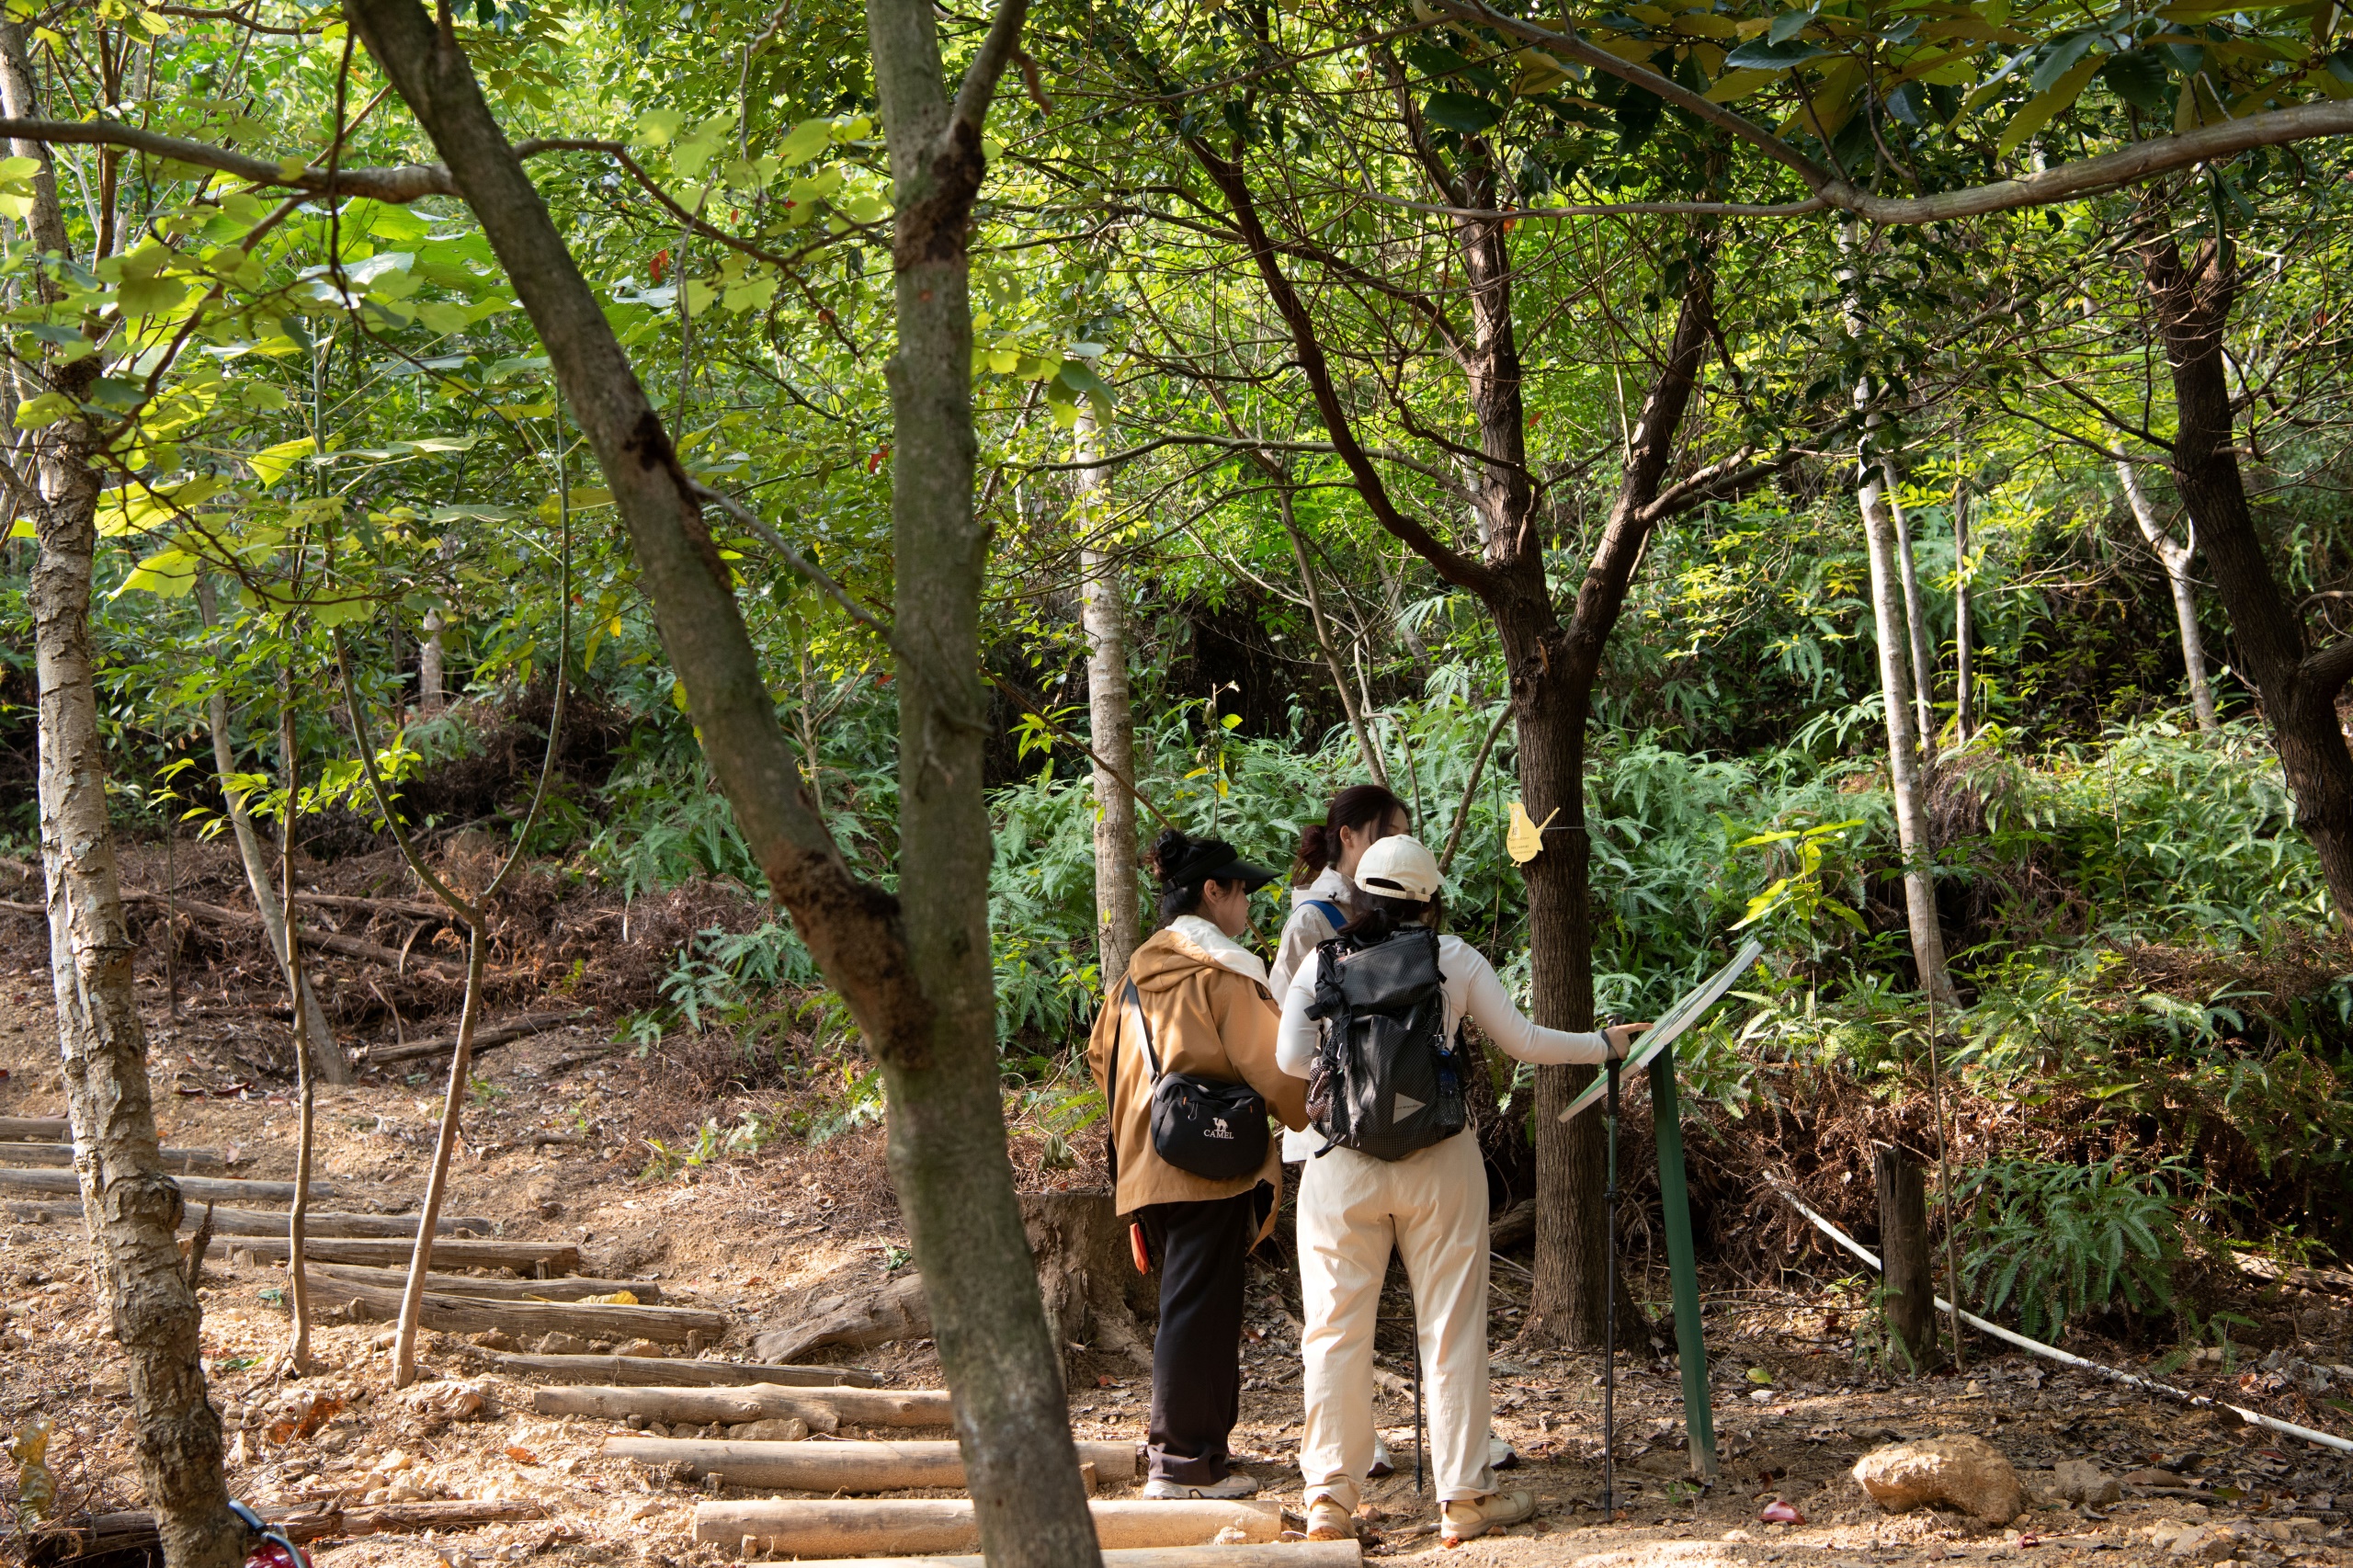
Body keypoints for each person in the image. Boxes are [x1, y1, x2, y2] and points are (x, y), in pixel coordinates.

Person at [1276, 834, 1647, 1543]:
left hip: (1341, 1165)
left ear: (1356, 894)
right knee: (1450, 1327)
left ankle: (1328, 1498)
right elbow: (1525, 1041)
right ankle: (1465, 1501)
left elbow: (1289, 1059)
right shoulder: (1453, 960)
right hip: (1441, 1163)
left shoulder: (1323, 960)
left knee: (1334, 1330)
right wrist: (1603, 1045)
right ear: (1430, 900)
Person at [1087, 828, 1310, 1501]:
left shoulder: (1134, 976)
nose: (1247, 905)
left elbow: (1102, 1060)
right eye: (1241, 890)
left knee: (1198, 1307)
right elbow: (1278, 1068)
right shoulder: (1220, 973)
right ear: (1212, 893)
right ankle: (1181, 1463)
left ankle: (1203, 1455)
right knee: (1198, 1311)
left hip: (1149, 1160)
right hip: (1207, 1162)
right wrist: (1321, 1115)